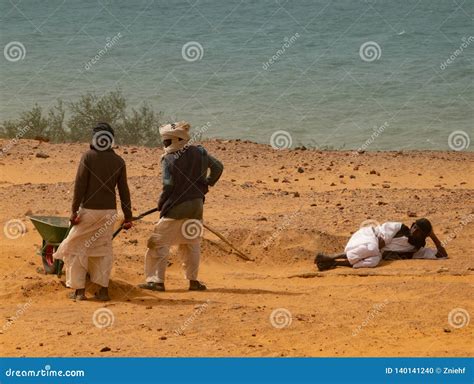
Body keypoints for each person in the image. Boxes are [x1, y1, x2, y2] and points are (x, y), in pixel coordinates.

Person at [139, 121, 223, 292]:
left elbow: (168, 185)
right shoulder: (200, 152)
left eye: (166, 142)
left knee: (159, 243)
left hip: (176, 207)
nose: (164, 145)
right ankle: (193, 282)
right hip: (196, 206)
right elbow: (218, 167)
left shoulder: (168, 159)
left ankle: (156, 281)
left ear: (175, 140)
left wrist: (162, 203)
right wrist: (206, 185)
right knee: (191, 244)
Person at [54, 123, 133, 301]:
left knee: (75, 248)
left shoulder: (88, 157)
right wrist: (128, 216)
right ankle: (103, 291)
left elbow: (80, 186)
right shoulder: (119, 161)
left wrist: (73, 211)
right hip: (109, 213)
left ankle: (79, 291)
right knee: (102, 249)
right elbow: (124, 191)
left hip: (88, 211)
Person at [315, 218, 448, 271]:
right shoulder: (399, 228)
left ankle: (334, 264)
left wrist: (433, 235)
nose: (414, 231)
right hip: (366, 236)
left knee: (373, 262)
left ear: (424, 236)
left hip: (371, 252)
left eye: (419, 231)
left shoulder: (416, 250)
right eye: (415, 227)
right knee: (373, 249)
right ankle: (330, 257)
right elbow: (380, 242)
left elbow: (442, 255)